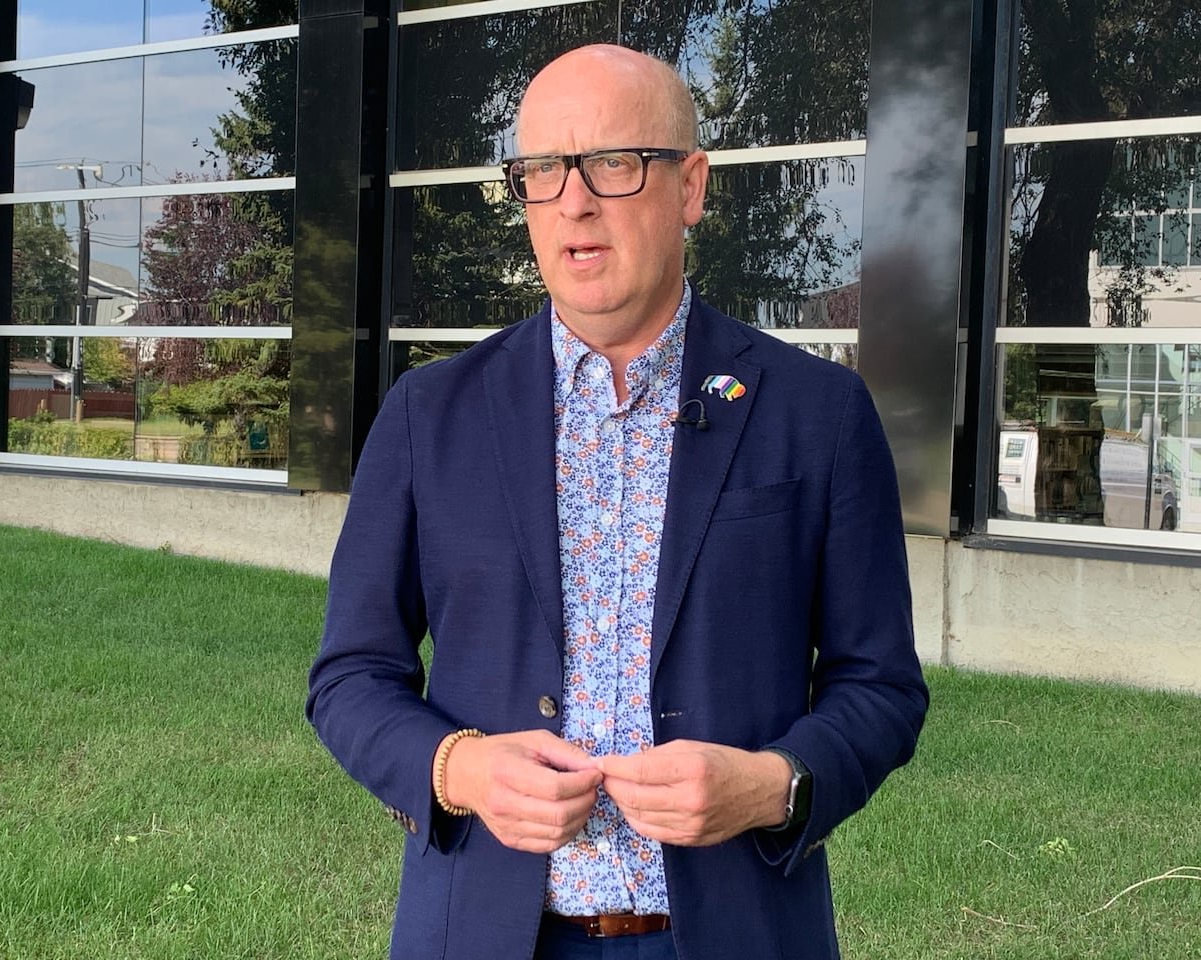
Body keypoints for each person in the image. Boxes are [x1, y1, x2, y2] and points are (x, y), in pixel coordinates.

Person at [308, 44, 928, 960]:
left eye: (613, 161)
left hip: (734, 932)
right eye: (543, 170)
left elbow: (879, 683)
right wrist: (458, 768)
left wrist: (773, 784)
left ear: (691, 188)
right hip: (485, 929)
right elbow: (350, 676)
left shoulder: (819, 414)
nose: (574, 201)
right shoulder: (428, 416)